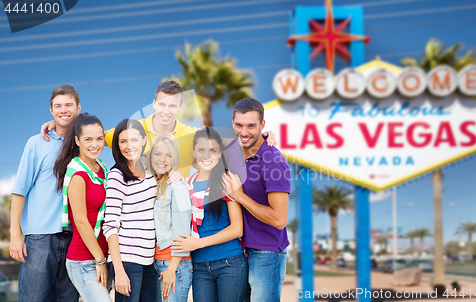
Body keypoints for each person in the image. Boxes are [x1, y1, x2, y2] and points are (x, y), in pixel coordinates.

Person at [41, 81, 277, 177]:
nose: (166, 110)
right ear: (154, 104)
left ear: (181, 107)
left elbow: (225, 143)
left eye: (172, 106)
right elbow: (89, 136)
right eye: (162, 104)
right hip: (139, 218)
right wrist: (61, 125)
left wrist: (261, 139)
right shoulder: (131, 130)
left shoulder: (189, 135)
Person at [10, 84, 81, 302]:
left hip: (74, 239)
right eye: (58, 106)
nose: (63, 110)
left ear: (78, 108)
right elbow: (20, 191)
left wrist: (68, 127)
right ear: (51, 110)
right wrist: (15, 234)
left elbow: (108, 134)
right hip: (40, 239)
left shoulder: (84, 143)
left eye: (69, 105)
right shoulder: (36, 143)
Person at [222, 98, 291, 302]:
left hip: (266, 253)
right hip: (236, 251)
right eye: (239, 125)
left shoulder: (274, 161)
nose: (244, 132)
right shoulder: (230, 153)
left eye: (252, 126)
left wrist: (240, 196)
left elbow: (279, 219)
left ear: (262, 125)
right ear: (232, 123)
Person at [171, 127, 247, 302]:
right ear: (194, 153)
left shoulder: (227, 181)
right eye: (201, 150)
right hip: (199, 267)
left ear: (220, 153)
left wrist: (198, 243)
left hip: (230, 263)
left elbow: (237, 229)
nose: (207, 156)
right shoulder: (185, 184)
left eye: (213, 150)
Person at [53, 113, 111, 302]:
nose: (95, 145)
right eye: (88, 139)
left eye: (99, 139)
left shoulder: (101, 167)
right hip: (85, 261)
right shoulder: (78, 174)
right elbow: (80, 221)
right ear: (77, 140)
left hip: (104, 257)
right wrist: (100, 260)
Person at [102, 119, 157, 302]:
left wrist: (177, 174)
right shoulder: (117, 176)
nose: (128, 146)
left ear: (143, 140)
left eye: (134, 140)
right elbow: (110, 225)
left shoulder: (151, 167)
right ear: (117, 144)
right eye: (122, 141)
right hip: (127, 258)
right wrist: (118, 269)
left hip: (150, 258)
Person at [146, 135, 192, 302]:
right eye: (157, 154)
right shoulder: (155, 184)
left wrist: (172, 268)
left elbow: (183, 233)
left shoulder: (177, 186)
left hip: (174, 265)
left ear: (175, 159)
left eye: (169, 155)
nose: (162, 159)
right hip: (157, 262)